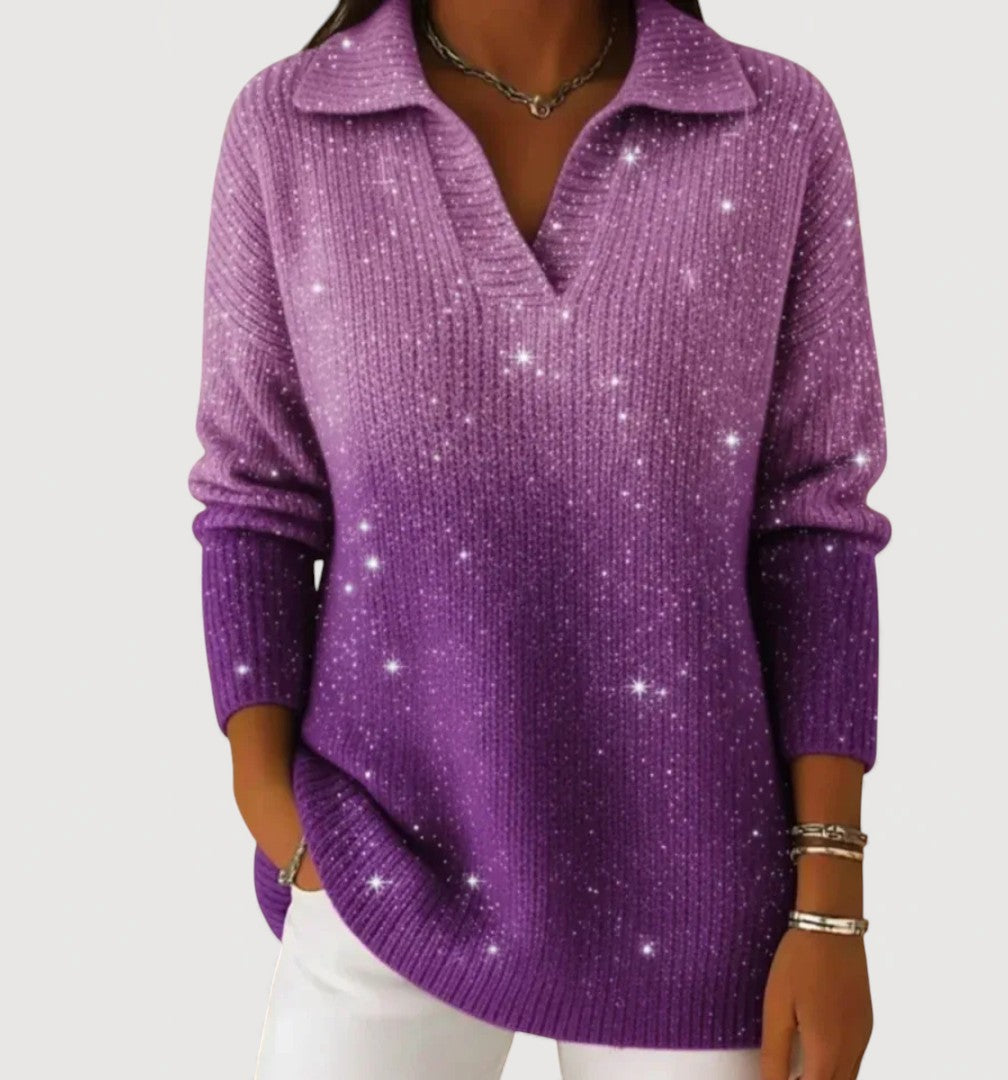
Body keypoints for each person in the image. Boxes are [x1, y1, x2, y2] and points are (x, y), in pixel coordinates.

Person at [187, 0, 891, 1076]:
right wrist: (269, 803)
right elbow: (256, 498)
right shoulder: (294, 125)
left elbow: (814, 523)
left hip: (697, 883)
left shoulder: (771, 123)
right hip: (374, 862)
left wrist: (830, 903)